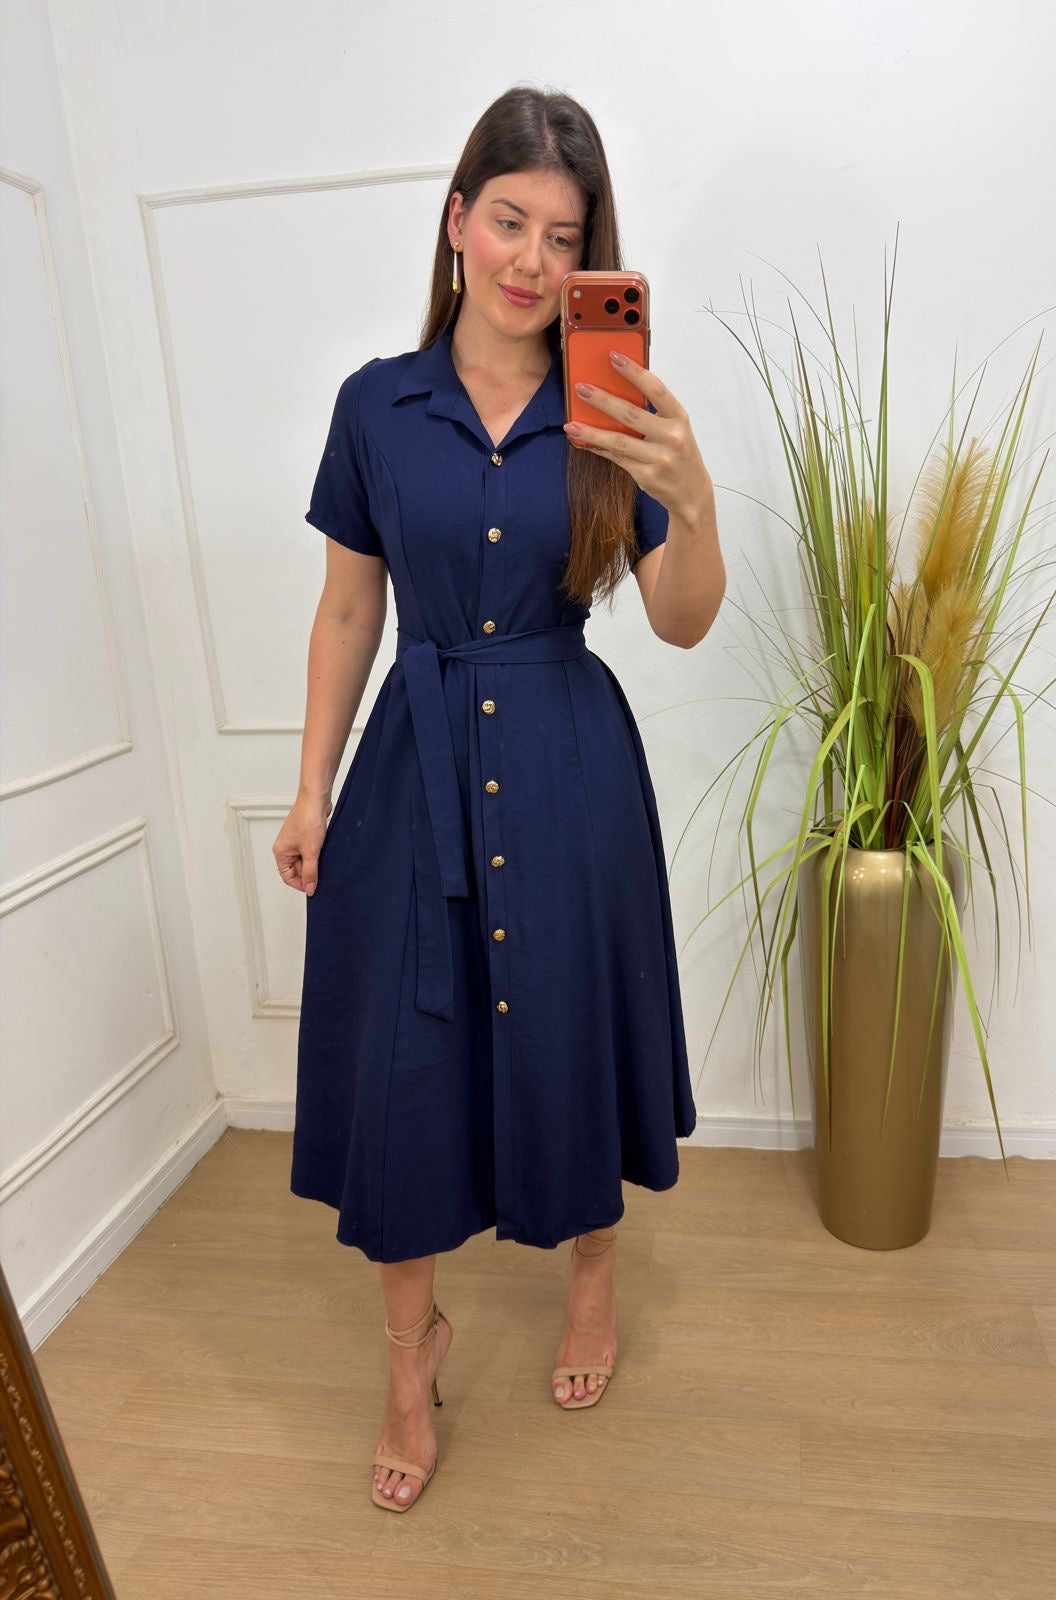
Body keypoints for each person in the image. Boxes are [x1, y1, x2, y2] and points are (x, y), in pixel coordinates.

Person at [273, 84, 725, 1513]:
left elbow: (683, 622)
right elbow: (350, 610)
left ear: (591, 258)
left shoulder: (612, 410)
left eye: (564, 236)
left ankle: (593, 1277)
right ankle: (410, 1359)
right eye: (510, 221)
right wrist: (310, 790)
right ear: (458, 221)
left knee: (573, 1028)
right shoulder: (376, 405)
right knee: (405, 1070)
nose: (533, 259)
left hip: (567, 760)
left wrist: (693, 495)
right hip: (412, 767)